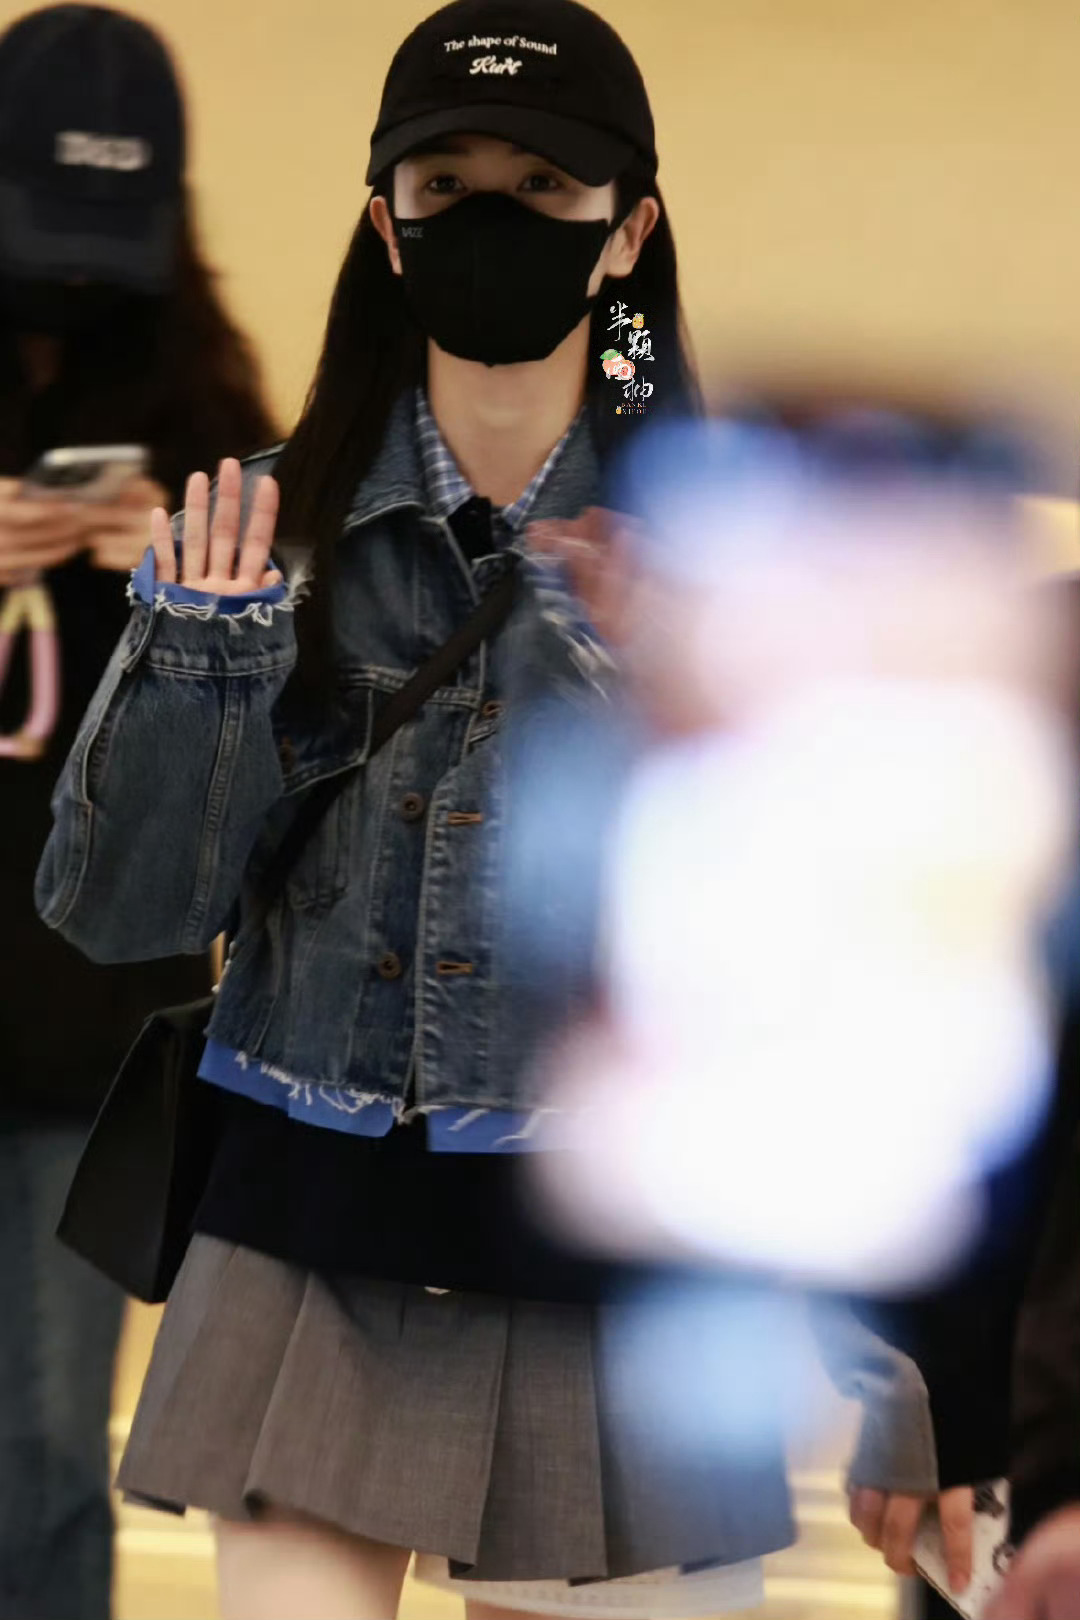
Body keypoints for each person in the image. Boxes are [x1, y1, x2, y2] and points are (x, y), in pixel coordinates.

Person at [34, 4, 959, 1618]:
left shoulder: (730, 552)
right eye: (446, 184)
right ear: (386, 228)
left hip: (611, 1239)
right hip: (303, 1209)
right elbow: (122, 914)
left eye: (543, 187)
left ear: (629, 234)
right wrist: (202, 658)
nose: (492, 221)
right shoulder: (266, 524)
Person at [0, 7, 276, 1618]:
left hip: (87, 1021)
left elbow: (269, 739)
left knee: (46, 1448)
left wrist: (190, 588)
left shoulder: (204, 410)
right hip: (78, 1001)